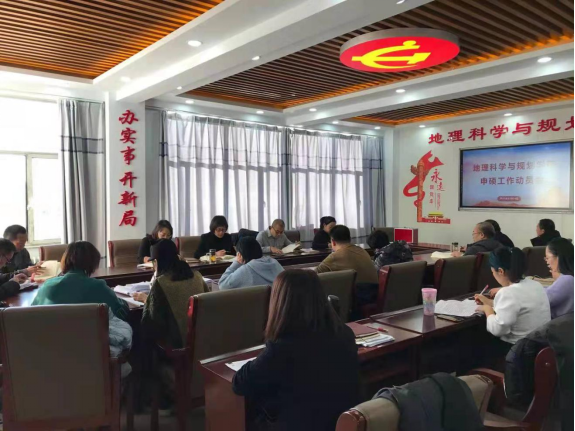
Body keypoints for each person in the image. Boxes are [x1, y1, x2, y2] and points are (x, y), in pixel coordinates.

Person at [232, 270, 360, 431]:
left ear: (280, 303)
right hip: (342, 423)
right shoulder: (345, 333)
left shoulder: (283, 348)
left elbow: (239, 383)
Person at [133, 239, 210, 348]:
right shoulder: (197, 276)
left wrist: (147, 300)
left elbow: (152, 324)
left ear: (156, 262)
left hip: (177, 343)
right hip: (203, 337)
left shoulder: (161, 282)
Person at [475, 247, 551, 357]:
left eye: (493, 272)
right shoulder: (535, 285)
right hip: (539, 348)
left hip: (517, 351)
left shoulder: (508, 293)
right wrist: (488, 302)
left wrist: (487, 310)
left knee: (475, 342)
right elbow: (516, 306)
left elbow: (498, 330)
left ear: (500, 271)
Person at [32, 241, 129, 321]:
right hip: (90, 337)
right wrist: (121, 301)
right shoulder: (98, 286)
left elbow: (33, 313)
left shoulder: (48, 285)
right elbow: (121, 313)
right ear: (93, 263)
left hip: (51, 337)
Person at [219, 237, 284, 290]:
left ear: (239, 255)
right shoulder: (274, 262)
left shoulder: (246, 270)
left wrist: (236, 262)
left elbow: (222, 285)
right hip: (279, 301)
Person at [544, 238, 574, 319]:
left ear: (558, 257)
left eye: (547, 258)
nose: (547, 262)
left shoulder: (567, 280)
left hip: (556, 325)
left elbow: (542, 300)